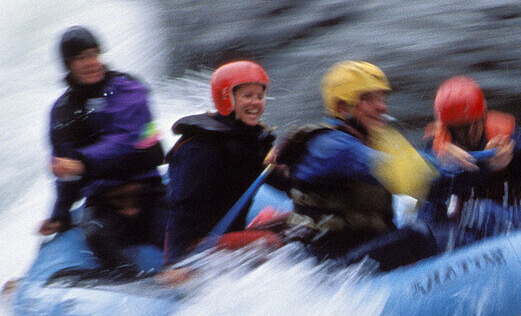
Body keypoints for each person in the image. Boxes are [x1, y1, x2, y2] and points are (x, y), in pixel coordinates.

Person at [273, 60, 441, 272]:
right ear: (342, 107)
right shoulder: (331, 146)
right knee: (416, 233)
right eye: (369, 99)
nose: (382, 106)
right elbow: (406, 173)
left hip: (361, 248)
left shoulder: (377, 138)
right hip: (328, 265)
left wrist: (479, 161)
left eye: (382, 98)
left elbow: (428, 171)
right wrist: (444, 166)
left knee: (438, 221)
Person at [39, 26, 166, 274]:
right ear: (68, 65)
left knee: (174, 231)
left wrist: (82, 161)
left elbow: (127, 139)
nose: (91, 63)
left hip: (148, 193)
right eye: (81, 58)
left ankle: (181, 273)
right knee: (97, 235)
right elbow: (66, 174)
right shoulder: (62, 111)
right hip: (106, 203)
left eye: (94, 55)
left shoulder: (128, 88)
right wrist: (60, 214)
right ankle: (133, 286)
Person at [164, 60, 277, 264]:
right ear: (226, 98)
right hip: (193, 246)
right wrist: (174, 263)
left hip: (226, 234)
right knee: (269, 242)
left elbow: (285, 182)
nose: (256, 103)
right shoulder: (201, 146)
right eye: (247, 96)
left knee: (292, 223)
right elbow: (182, 209)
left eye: (260, 96)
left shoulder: (255, 140)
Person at [417, 76, 521, 249]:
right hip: (461, 230)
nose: (468, 134)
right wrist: (477, 167)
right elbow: (425, 192)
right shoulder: (435, 149)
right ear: (445, 127)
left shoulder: (510, 140)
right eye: (458, 129)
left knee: (483, 211)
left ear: (483, 117)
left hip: (509, 221)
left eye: (473, 124)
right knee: (428, 223)